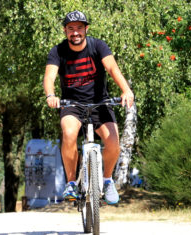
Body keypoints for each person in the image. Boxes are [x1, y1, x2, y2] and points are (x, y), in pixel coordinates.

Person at [42, 10, 135, 205]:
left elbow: (112, 68)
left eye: (78, 28)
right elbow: (49, 77)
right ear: (65, 31)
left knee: (113, 143)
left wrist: (126, 90)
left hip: (100, 102)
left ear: (86, 29)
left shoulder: (98, 46)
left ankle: (107, 180)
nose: (75, 32)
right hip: (72, 105)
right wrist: (51, 95)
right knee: (68, 134)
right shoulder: (57, 51)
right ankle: (71, 184)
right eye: (70, 29)